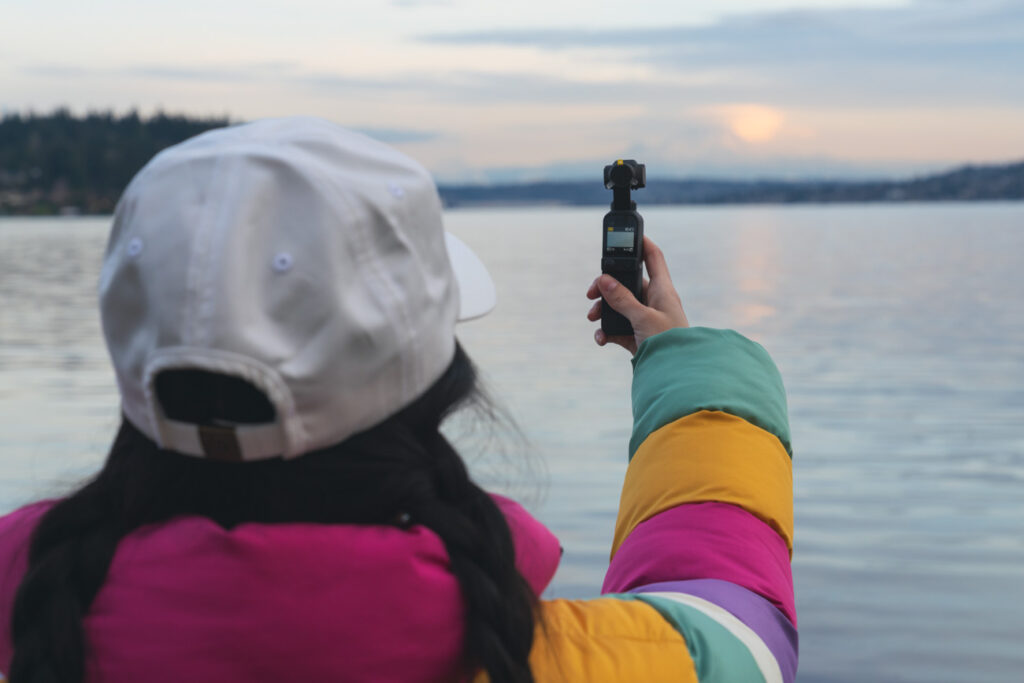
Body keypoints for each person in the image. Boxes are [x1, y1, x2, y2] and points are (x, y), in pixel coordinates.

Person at [0, 117, 797, 682]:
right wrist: (686, 374)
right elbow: (742, 631)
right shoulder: (538, 656)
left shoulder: (37, 631)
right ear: (432, 383)